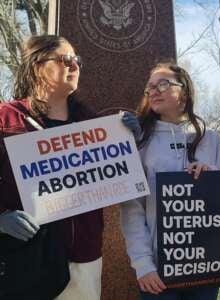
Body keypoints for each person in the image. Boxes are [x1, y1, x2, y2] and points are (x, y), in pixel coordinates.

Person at [0, 35, 103, 299]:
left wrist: (126, 136)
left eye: (77, 60)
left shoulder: (91, 122)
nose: (75, 66)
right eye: (65, 59)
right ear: (37, 66)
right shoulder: (5, 119)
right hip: (26, 260)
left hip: (85, 258)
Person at [121, 62, 220, 300]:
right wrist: (143, 265)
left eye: (163, 84)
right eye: (150, 87)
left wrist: (210, 177)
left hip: (205, 265)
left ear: (185, 92)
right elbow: (132, 209)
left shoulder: (211, 139)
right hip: (158, 272)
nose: (154, 91)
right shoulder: (140, 141)